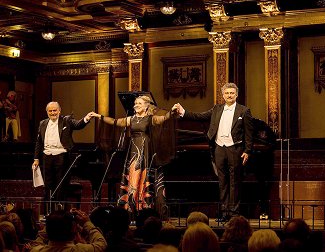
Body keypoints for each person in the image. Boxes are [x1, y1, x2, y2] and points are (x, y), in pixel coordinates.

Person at [173, 82, 254, 221]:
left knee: (235, 181)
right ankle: (224, 212)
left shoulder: (244, 111)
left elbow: (249, 133)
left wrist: (247, 150)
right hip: (219, 148)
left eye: (232, 93)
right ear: (223, 95)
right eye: (227, 93)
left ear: (236, 95)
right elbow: (199, 116)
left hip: (235, 148)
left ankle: (234, 214)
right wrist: (183, 112)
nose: (229, 95)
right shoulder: (217, 109)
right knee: (222, 181)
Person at [91, 95, 176, 218]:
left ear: (147, 106)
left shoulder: (150, 119)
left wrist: (172, 111)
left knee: (143, 177)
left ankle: (143, 207)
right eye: (135, 103)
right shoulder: (131, 119)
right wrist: (99, 116)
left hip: (145, 150)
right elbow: (115, 122)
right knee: (133, 177)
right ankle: (131, 208)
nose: (136, 105)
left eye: (139, 103)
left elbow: (164, 118)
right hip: (133, 151)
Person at [32, 102, 94, 205]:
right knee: (48, 183)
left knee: (61, 184)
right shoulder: (42, 123)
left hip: (62, 156)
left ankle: (59, 207)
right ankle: (49, 208)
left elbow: (78, 125)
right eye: (50, 111)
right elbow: (39, 142)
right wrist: (36, 159)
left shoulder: (66, 120)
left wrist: (86, 118)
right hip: (47, 156)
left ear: (59, 111)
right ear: (47, 112)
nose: (53, 113)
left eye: (54, 110)